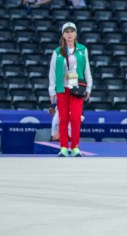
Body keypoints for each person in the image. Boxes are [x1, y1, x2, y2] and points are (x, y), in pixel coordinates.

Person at [48, 22, 92, 157]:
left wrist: (89, 86)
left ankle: (75, 147)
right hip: (62, 88)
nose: (69, 34)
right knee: (63, 118)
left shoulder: (82, 50)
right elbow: (52, 72)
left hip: (77, 88)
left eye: (71, 31)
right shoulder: (57, 51)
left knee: (75, 118)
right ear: (63, 34)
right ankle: (63, 147)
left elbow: (87, 69)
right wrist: (51, 91)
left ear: (76, 33)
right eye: (66, 32)